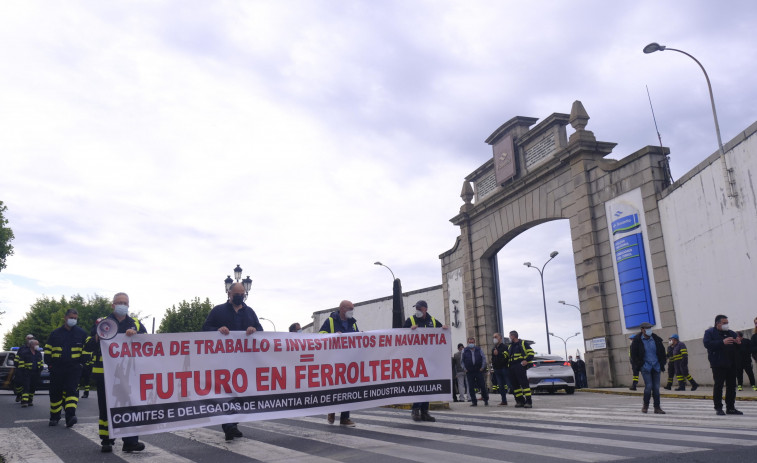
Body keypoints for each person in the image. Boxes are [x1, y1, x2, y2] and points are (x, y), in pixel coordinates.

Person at [85, 292, 146, 452]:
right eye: (119, 302)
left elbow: (148, 343)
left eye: (125, 303)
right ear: (113, 305)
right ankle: (107, 440)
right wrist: (97, 338)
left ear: (128, 305)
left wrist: (137, 336)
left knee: (130, 406)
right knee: (106, 407)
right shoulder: (102, 323)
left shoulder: (136, 324)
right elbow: (87, 344)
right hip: (105, 373)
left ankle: (130, 442)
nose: (122, 305)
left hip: (129, 374)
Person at [203, 283, 264, 440]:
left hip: (243, 362)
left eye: (242, 294)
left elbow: (260, 330)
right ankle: (229, 425)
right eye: (236, 294)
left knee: (239, 393)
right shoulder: (218, 311)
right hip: (223, 361)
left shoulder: (250, 312)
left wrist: (254, 330)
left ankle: (233, 424)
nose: (239, 296)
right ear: (229, 294)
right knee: (226, 393)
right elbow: (205, 328)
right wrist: (217, 330)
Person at [403, 300, 449, 421]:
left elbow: (442, 331)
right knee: (419, 385)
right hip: (415, 360)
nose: (417, 310)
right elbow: (399, 334)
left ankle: (424, 411)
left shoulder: (432, 321)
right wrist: (409, 330)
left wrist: (444, 328)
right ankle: (416, 409)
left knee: (427, 386)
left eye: (419, 308)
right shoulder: (411, 320)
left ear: (425, 309)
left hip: (429, 359)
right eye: (416, 308)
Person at [45, 309, 88, 428]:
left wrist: (82, 364)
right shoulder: (55, 333)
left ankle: (70, 416)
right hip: (57, 368)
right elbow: (48, 350)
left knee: (72, 391)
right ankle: (54, 417)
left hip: (74, 368)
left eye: (75, 318)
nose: (73, 320)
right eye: (71, 317)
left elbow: (86, 351)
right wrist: (50, 365)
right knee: (55, 393)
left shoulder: (82, 333)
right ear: (65, 318)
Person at [319, 300, 358, 427]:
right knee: (334, 387)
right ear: (342, 309)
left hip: (349, 360)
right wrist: (333, 336)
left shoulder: (353, 323)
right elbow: (320, 335)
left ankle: (345, 418)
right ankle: (331, 410)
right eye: (350, 308)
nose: (352, 311)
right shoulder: (330, 321)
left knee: (348, 389)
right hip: (334, 361)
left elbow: (358, 337)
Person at [704, 315, 743, 415]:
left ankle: (730, 407)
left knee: (731, 386)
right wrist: (722, 342)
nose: (726, 325)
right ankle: (718, 407)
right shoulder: (709, 333)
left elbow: (738, 348)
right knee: (719, 386)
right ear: (718, 323)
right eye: (724, 323)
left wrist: (738, 343)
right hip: (718, 363)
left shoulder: (731, 333)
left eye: (727, 323)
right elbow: (707, 344)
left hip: (731, 363)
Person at [629, 322, 666, 414]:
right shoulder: (637, 341)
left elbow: (662, 352)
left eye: (650, 328)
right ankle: (645, 406)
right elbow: (634, 355)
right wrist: (640, 365)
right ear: (642, 330)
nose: (649, 330)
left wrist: (662, 363)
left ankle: (657, 407)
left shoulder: (656, 339)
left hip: (656, 366)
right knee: (649, 386)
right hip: (646, 367)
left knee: (656, 388)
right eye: (647, 328)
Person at [506, 330, 534, 408]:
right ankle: (519, 401)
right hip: (511, 366)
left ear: (513, 336)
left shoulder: (523, 343)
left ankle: (528, 402)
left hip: (519, 366)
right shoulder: (510, 346)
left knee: (524, 384)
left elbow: (531, 353)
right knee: (515, 385)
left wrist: (526, 360)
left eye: (510, 336)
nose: (509, 338)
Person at [462, 336, 488, 406]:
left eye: (472, 342)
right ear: (468, 343)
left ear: (474, 342)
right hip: (469, 371)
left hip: (478, 370)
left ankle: (485, 399)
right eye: (470, 342)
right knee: (471, 387)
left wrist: (482, 367)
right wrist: (464, 369)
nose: (471, 344)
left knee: (482, 386)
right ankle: (474, 401)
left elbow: (483, 358)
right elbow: (462, 361)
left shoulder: (479, 349)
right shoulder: (464, 350)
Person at [17, 339, 43, 407]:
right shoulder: (25, 353)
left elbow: (41, 362)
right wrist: (23, 371)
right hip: (27, 373)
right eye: (36, 344)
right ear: (31, 345)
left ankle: (30, 400)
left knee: (33, 387)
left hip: (36, 373)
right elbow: (21, 363)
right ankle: (24, 401)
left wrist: (40, 369)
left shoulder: (38, 353)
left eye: (38, 344)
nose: (37, 346)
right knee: (26, 387)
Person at [490, 332, 510, 406]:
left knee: (509, 384)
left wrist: (498, 354)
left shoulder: (505, 347)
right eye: (493, 337)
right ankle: (504, 400)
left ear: (500, 338)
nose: (494, 339)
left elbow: (506, 357)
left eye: (496, 337)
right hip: (497, 369)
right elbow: (493, 359)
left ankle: (519, 399)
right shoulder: (494, 348)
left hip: (504, 368)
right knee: (500, 386)